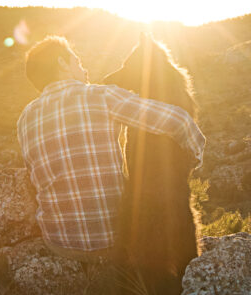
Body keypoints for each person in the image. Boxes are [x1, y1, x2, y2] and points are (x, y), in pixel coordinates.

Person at [16, 35, 205, 263]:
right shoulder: (101, 96)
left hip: (59, 242)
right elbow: (179, 121)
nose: (83, 68)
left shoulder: (25, 118)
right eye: (77, 61)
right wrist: (194, 160)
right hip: (110, 242)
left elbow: (34, 175)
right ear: (62, 63)